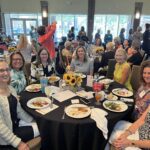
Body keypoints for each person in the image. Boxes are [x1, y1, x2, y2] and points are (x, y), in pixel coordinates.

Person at [0, 59, 39, 150]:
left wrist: (33, 120)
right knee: (43, 128)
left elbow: (19, 111)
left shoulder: (10, 88)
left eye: (7, 70)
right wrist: (18, 143)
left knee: (40, 123)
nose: (6, 73)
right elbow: (1, 127)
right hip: (7, 135)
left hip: (16, 124)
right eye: (1, 70)